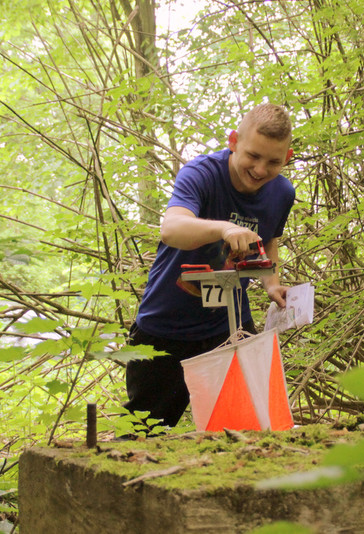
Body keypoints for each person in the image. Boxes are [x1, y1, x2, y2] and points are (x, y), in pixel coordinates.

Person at [124, 103, 296, 430]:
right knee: (144, 433)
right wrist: (223, 229)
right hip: (166, 326)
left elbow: (270, 238)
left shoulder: (282, 193)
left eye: (273, 162)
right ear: (233, 142)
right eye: (253, 156)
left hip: (229, 325)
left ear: (286, 159)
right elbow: (172, 229)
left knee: (247, 428)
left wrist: (272, 283)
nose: (260, 169)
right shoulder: (201, 173)